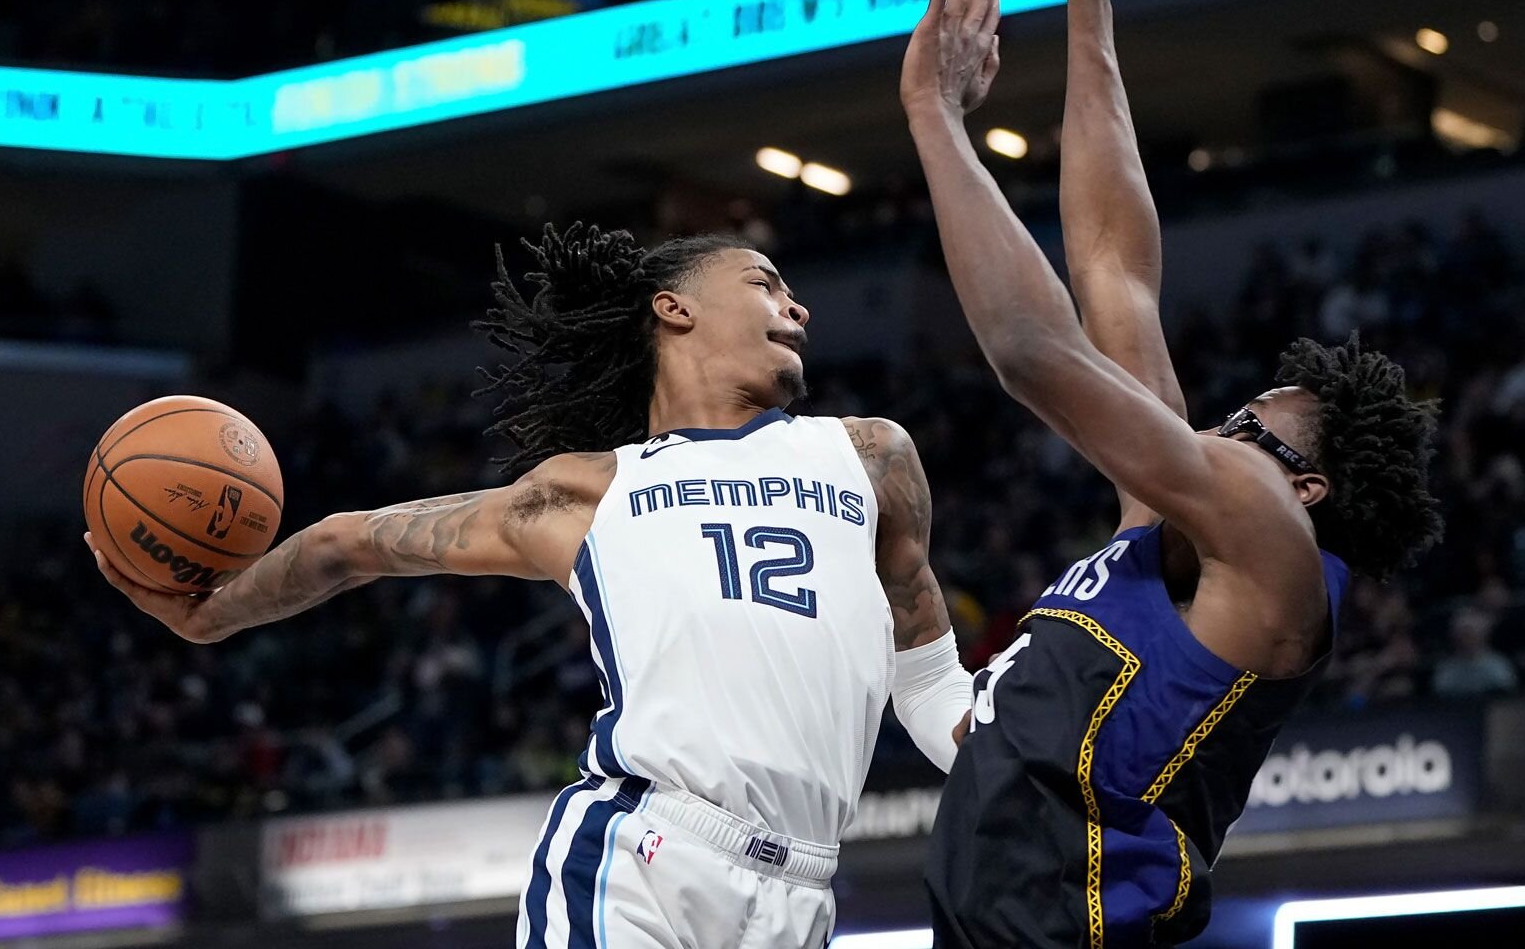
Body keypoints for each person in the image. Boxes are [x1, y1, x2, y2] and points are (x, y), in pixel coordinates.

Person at [85, 225, 972, 948]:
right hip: (646, 859)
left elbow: (928, 674)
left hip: (806, 890)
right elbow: (354, 543)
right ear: (675, 308)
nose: (798, 305)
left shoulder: (870, 456)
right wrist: (208, 619)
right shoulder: (585, 490)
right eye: (767, 283)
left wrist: (1011, 750)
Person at [899, 0, 1442, 944]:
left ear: (1307, 485)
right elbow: (1114, 271)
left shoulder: (1268, 541)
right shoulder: (1175, 534)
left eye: (1249, 430)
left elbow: (1031, 348)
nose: (1217, 431)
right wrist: (1089, 2)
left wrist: (934, 117)